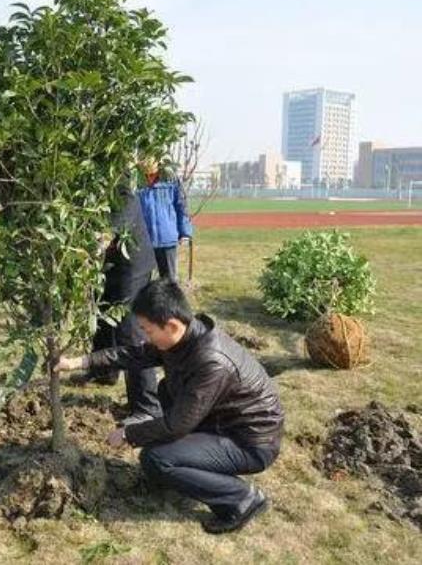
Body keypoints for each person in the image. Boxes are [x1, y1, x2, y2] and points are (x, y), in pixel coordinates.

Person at [56, 279, 284, 534]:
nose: (146, 337)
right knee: (166, 391)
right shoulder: (184, 337)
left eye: (148, 330)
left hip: (250, 442)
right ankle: (187, 465)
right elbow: (133, 355)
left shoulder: (211, 362)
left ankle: (241, 498)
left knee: (156, 459)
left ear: (172, 325)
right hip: (223, 422)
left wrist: (129, 434)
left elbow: (178, 424)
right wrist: (80, 362)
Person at [79, 185, 161, 425]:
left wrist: (87, 250)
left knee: (130, 330)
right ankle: (103, 372)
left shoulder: (123, 193)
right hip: (108, 267)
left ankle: (147, 406)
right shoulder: (88, 190)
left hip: (132, 267)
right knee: (102, 316)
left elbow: (109, 230)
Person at [137, 158, 193, 280]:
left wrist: (185, 232)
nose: (149, 177)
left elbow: (181, 206)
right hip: (144, 242)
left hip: (167, 241)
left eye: (152, 174)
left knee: (170, 282)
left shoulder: (170, 181)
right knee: (143, 282)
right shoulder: (137, 184)